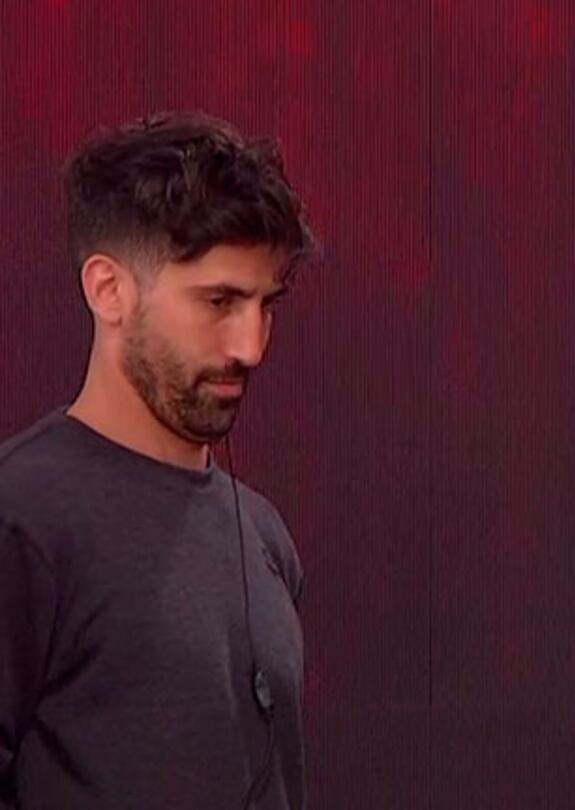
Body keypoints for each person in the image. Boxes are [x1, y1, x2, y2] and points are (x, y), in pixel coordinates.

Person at [0, 111, 313, 809]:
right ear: (108, 290)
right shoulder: (20, 522)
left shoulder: (263, 538)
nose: (250, 346)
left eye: (266, 304)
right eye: (219, 301)